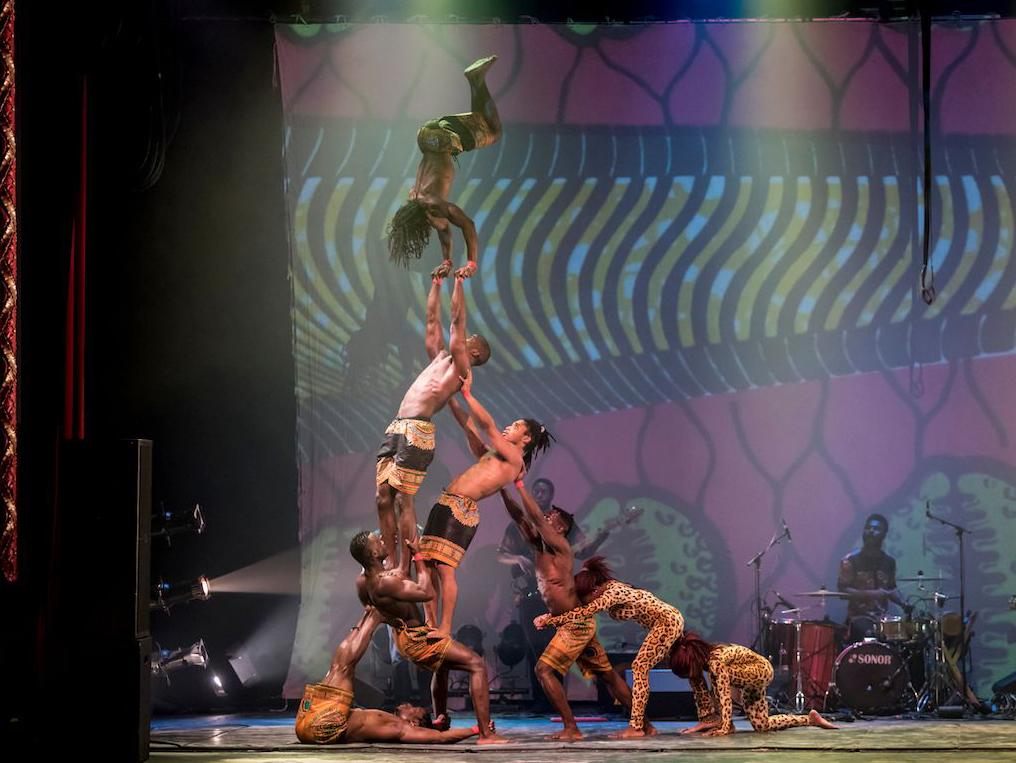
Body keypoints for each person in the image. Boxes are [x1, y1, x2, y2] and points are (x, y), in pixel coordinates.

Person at [499, 481, 648, 740]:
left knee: (543, 670)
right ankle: (646, 723)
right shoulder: (538, 545)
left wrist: (519, 482)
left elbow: (532, 514)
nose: (546, 518)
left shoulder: (559, 544)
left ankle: (571, 728)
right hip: (575, 622)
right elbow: (518, 515)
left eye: (551, 518)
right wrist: (502, 489)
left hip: (574, 625)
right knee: (608, 676)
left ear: (560, 528)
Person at [416, 371, 553, 637]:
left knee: (444, 570)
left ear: (526, 439)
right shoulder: (496, 456)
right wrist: (451, 398)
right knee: (428, 565)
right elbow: (470, 428)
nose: (507, 427)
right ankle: (430, 624)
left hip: (460, 510)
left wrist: (466, 392)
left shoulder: (514, 458)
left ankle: (444, 628)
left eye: (515, 426)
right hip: (446, 503)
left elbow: (487, 425)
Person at [376, 273, 490, 570]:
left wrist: (459, 283)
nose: (463, 340)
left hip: (417, 430)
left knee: (403, 500)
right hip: (397, 426)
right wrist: (436, 285)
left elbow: (455, 321)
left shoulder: (462, 367)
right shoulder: (440, 358)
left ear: (474, 352)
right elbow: (431, 322)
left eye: (468, 341)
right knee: (382, 497)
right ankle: (389, 560)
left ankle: (404, 566)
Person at [352, 531, 509, 745]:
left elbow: (371, 607)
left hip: (406, 637)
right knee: (477, 664)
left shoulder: (362, 581)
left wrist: (394, 617)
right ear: (372, 553)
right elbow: (427, 592)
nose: (382, 540)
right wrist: (419, 559)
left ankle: (441, 720)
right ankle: (485, 734)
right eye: (377, 541)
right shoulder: (383, 583)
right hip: (417, 639)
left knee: (442, 667)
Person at [535, 557, 684, 739]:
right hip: (664, 622)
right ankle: (646, 726)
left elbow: (584, 612)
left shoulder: (610, 594)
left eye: (585, 597)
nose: (584, 601)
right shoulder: (609, 587)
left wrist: (549, 620)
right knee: (610, 675)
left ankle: (636, 727)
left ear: (595, 590)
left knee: (639, 668)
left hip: (667, 622)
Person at [295, 605, 478, 744]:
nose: (408, 704)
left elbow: (440, 738)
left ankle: (374, 616)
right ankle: (370, 615)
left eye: (414, 709)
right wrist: (437, 724)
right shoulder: (391, 723)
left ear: (414, 723)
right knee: (338, 667)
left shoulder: (403, 729)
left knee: (342, 668)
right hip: (310, 722)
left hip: (322, 726)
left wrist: (475, 729)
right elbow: (438, 731)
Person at [386, 55, 501, 277]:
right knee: (481, 121)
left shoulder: (433, 205)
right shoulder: (416, 198)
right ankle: (476, 79)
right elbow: (444, 228)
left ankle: (475, 78)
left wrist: (471, 263)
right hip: (425, 137)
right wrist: (447, 261)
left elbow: (468, 225)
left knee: (494, 132)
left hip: (443, 141)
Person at [670, 632, 837, 736]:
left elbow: (724, 694)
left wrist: (725, 726)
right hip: (749, 678)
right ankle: (810, 719)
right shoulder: (706, 660)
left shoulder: (715, 661)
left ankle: (724, 724)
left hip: (761, 671)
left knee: (717, 675)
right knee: (762, 725)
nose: (688, 676)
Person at [837, 513, 910, 643]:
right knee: (870, 634)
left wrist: (904, 603)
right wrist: (872, 594)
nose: (871, 531)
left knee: (905, 639)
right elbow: (843, 592)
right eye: (868, 528)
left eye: (876, 529)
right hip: (858, 619)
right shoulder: (850, 561)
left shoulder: (889, 562)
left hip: (882, 619)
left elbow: (891, 589)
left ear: (884, 535)